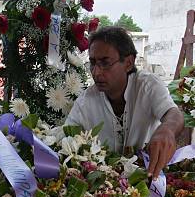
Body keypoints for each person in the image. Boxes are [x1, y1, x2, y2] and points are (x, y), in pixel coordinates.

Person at [65, 26, 184, 179]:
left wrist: (167, 130)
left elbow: (173, 114)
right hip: (106, 187)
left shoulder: (147, 85)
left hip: (151, 178)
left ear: (128, 62)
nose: (96, 72)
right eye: (93, 63)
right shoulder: (85, 102)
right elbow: (65, 137)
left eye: (105, 63)